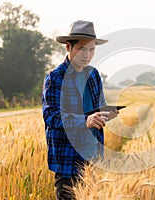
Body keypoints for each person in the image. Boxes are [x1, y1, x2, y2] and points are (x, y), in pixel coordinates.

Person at [42, 20, 118, 199]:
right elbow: (51, 116)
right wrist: (85, 121)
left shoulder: (93, 75)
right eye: (82, 49)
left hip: (93, 157)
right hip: (68, 160)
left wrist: (107, 113)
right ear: (68, 47)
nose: (88, 55)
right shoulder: (55, 78)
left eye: (92, 50)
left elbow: (97, 108)